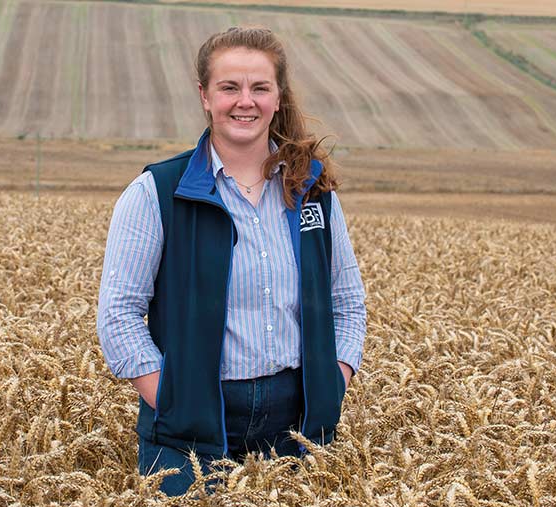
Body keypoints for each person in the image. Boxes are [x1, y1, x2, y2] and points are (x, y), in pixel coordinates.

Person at [96, 26, 366, 496]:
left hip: (298, 429)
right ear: (204, 96)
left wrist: (331, 384)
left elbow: (348, 303)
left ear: (278, 98)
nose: (246, 101)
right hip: (187, 435)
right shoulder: (157, 192)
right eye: (229, 87)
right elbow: (118, 315)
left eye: (260, 88)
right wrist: (176, 401)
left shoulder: (311, 192)